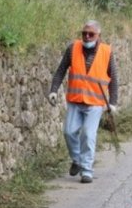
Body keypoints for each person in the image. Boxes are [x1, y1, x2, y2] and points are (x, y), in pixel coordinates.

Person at [48, 20, 118, 184]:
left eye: (91, 34)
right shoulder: (73, 49)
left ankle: (86, 171)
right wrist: (53, 90)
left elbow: (114, 79)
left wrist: (113, 102)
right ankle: (77, 160)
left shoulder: (107, 52)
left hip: (95, 103)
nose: (87, 37)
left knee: (88, 134)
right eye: (84, 33)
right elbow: (61, 70)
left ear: (98, 35)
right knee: (68, 132)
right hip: (75, 101)